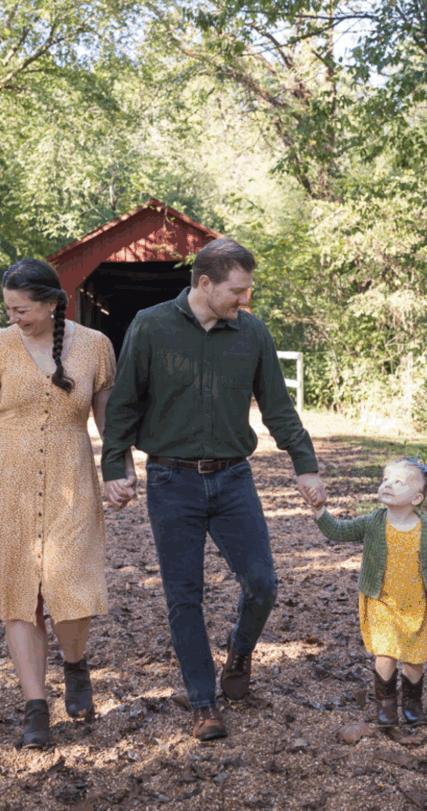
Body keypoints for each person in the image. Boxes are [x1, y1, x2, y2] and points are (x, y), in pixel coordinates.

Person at [101, 237, 326, 742]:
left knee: (263, 582)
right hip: (170, 480)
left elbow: (279, 408)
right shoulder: (152, 325)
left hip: (232, 478)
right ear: (205, 283)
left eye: (246, 292)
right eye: (237, 291)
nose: (244, 301)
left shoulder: (252, 333)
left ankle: (240, 650)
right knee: (185, 597)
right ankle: (203, 703)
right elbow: (124, 404)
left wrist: (305, 465)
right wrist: (114, 466)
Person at [0, 258, 129, 750]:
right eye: (8, 308)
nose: (13, 317)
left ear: (51, 303)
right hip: (5, 480)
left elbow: (109, 423)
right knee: (19, 596)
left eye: (22, 309)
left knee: (71, 587)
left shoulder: (96, 347)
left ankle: (74, 662)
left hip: (72, 476)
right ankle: (34, 707)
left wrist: (119, 473)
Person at [308, 456, 427, 727]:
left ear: (416, 498)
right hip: (382, 601)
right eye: (385, 480)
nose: (388, 485)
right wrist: (321, 510)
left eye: (398, 482)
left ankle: (413, 704)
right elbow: (337, 531)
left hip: (418, 604)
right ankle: (386, 706)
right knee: (386, 653)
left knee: (415, 660)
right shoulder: (373, 522)